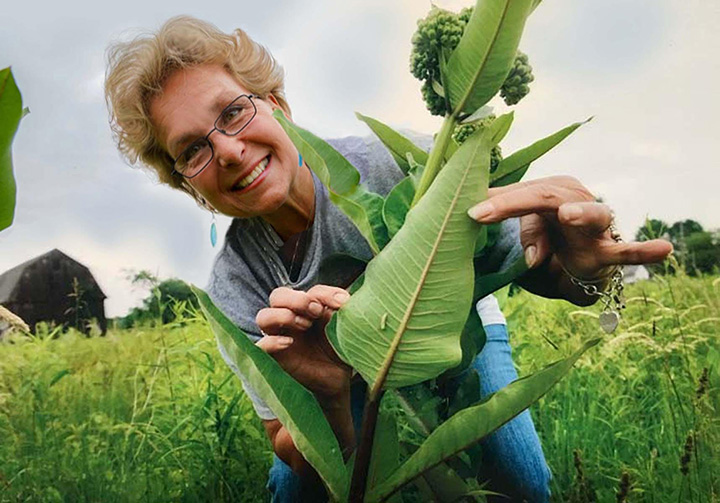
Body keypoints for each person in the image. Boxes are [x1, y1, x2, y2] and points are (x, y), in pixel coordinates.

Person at [104, 16, 672, 501]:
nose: (227, 151)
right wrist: (328, 395)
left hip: (455, 337)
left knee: (521, 484)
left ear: (277, 105)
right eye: (192, 150)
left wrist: (582, 268)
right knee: (290, 491)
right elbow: (284, 432)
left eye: (232, 113)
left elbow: (534, 258)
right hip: (339, 388)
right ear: (189, 186)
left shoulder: (398, 166)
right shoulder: (236, 283)